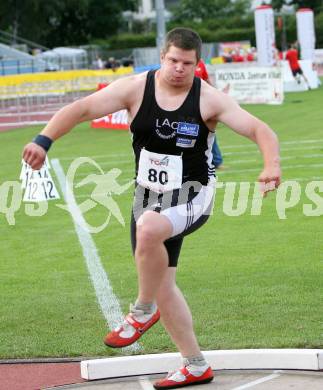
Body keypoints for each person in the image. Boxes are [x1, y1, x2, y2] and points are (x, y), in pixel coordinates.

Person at [22, 27, 281, 389]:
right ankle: (194, 364)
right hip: (147, 197)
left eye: (187, 64)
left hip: (193, 195)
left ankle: (141, 312)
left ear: (197, 64)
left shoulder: (208, 99)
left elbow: (260, 130)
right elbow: (81, 109)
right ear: (162, 57)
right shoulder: (134, 89)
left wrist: (272, 165)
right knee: (161, 280)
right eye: (173, 60)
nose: (178, 69)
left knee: (148, 229)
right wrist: (43, 140)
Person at [194, 59, 224, 169]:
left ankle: (217, 161)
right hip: (187, 104)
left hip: (202, 103)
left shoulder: (201, 63)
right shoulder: (181, 63)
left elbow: (206, 79)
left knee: (209, 132)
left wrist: (215, 93)